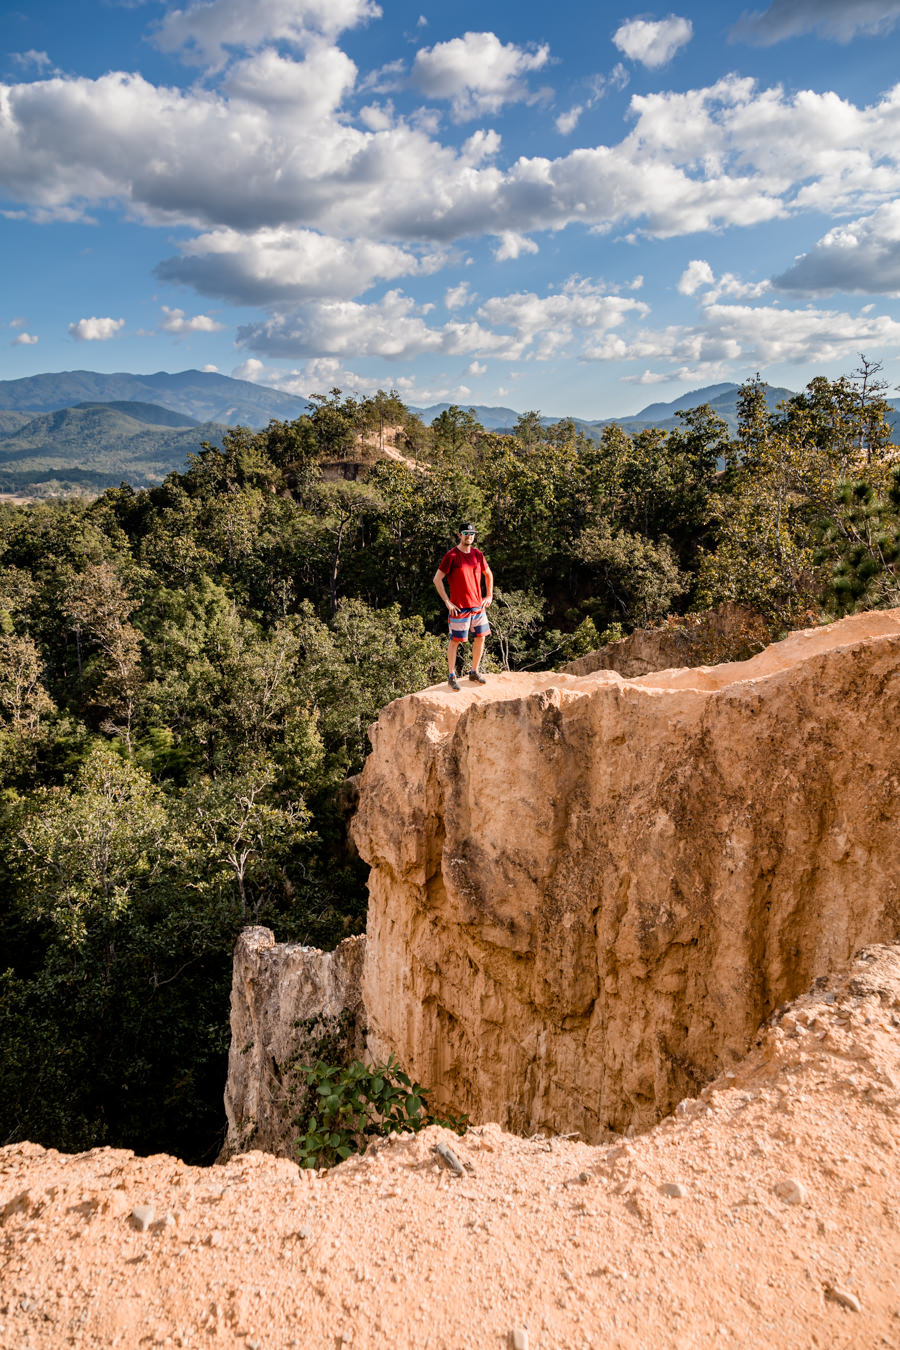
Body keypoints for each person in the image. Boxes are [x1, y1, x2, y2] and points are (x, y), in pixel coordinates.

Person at [433, 524, 494, 690]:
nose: (469, 536)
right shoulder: (451, 555)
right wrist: (447, 601)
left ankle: (474, 671)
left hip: (477, 606)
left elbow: (488, 574)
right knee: (455, 641)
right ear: (460, 535)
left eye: (472, 533)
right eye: (466, 533)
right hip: (459, 608)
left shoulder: (478, 555)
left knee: (481, 637)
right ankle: (451, 675)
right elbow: (437, 579)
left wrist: (489, 595)